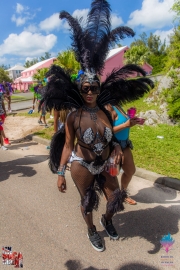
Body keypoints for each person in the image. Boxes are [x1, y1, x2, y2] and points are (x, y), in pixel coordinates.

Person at [41, 0, 154, 252]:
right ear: (81, 90)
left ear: (99, 89)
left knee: (115, 197)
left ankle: (107, 220)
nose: (90, 91)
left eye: (94, 87)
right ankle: (92, 230)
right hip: (81, 165)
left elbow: (113, 134)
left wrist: (115, 148)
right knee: (87, 201)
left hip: (105, 163)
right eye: (86, 88)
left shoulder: (106, 110)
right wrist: (60, 173)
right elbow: (68, 145)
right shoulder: (73, 116)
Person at [105, 104, 139, 205]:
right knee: (112, 174)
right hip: (113, 145)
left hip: (125, 143)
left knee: (130, 171)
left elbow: (123, 123)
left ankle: (123, 193)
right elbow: (107, 130)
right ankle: (111, 195)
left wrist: (131, 119)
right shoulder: (108, 107)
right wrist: (126, 125)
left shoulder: (118, 105)